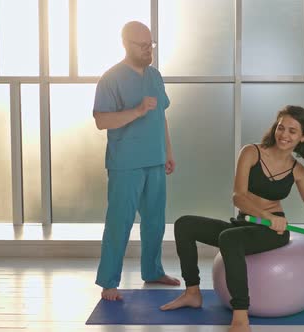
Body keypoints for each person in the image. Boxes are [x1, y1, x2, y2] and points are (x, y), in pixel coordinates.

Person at [160, 105, 304, 332]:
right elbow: (238, 197)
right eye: (281, 128)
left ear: (303, 137)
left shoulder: (298, 171)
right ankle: (192, 293)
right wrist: (266, 214)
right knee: (184, 225)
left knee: (229, 239)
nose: (284, 135)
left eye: (292, 131)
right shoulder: (251, 152)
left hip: (272, 231)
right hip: (246, 222)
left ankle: (241, 317)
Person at [92, 21, 180, 301]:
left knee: (155, 222)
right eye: (142, 45)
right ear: (125, 44)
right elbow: (101, 120)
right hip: (126, 163)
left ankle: (153, 271)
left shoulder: (155, 76)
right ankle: (108, 283)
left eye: (150, 44)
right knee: (120, 222)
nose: (148, 50)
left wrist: (168, 151)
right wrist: (137, 110)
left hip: (155, 159)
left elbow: (161, 116)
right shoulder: (111, 79)